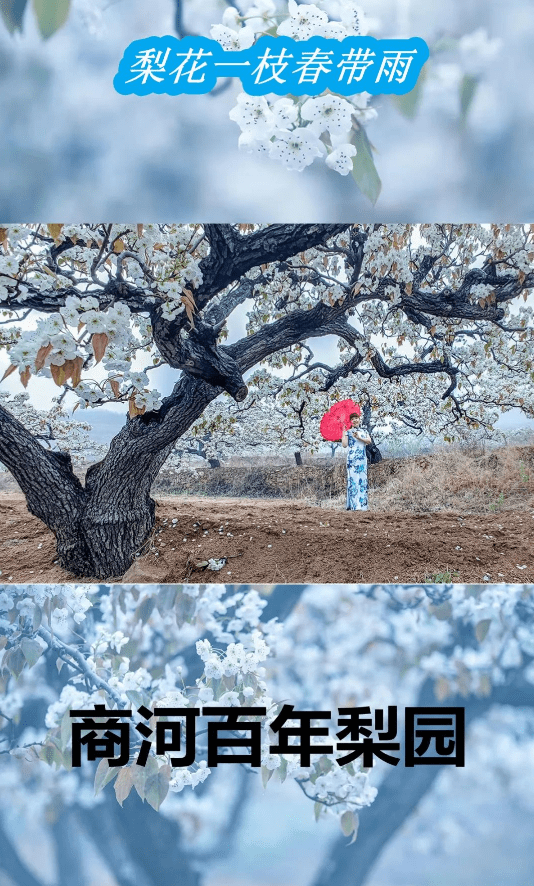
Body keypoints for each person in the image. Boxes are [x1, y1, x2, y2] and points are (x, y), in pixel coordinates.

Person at [341, 412, 371, 511]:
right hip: (352, 459)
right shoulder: (348, 432)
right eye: (352, 419)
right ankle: (355, 505)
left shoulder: (364, 431)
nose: (355, 420)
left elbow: (368, 441)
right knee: (353, 480)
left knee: (362, 480)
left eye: (356, 418)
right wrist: (344, 432)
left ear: (359, 419)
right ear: (350, 421)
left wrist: (359, 437)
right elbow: (344, 445)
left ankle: (363, 505)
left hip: (362, 458)